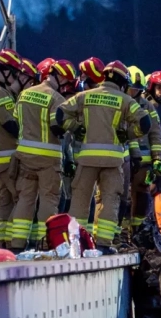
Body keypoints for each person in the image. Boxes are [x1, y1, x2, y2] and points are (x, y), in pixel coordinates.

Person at [57, 60, 150, 252]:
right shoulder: (126, 101)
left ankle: (76, 244)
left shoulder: (85, 96)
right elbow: (145, 123)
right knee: (109, 201)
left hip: (87, 159)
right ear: (122, 82)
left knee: (80, 201)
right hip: (112, 160)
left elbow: (60, 113)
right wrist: (129, 135)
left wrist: (76, 129)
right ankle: (103, 245)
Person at [8, 59, 74, 252]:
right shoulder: (56, 99)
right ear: (60, 77)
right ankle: (44, 244)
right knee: (49, 199)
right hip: (48, 159)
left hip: (25, 157)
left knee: (25, 199)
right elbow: (57, 126)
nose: (67, 86)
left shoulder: (24, 95)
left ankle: (18, 244)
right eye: (67, 81)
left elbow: (16, 121)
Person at [0, 48, 31, 247]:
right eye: (15, 73)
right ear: (6, 70)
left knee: (3, 203)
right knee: (20, 199)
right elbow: (11, 125)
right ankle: (13, 243)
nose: (17, 77)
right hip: (6, 159)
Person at [127, 67, 161, 235]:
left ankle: (136, 231)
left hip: (143, 164)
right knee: (124, 197)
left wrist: (157, 159)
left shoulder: (148, 107)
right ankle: (122, 233)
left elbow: (155, 135)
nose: (134, 92)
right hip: (123, 159)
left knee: (142, 197)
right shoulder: (123, 102)